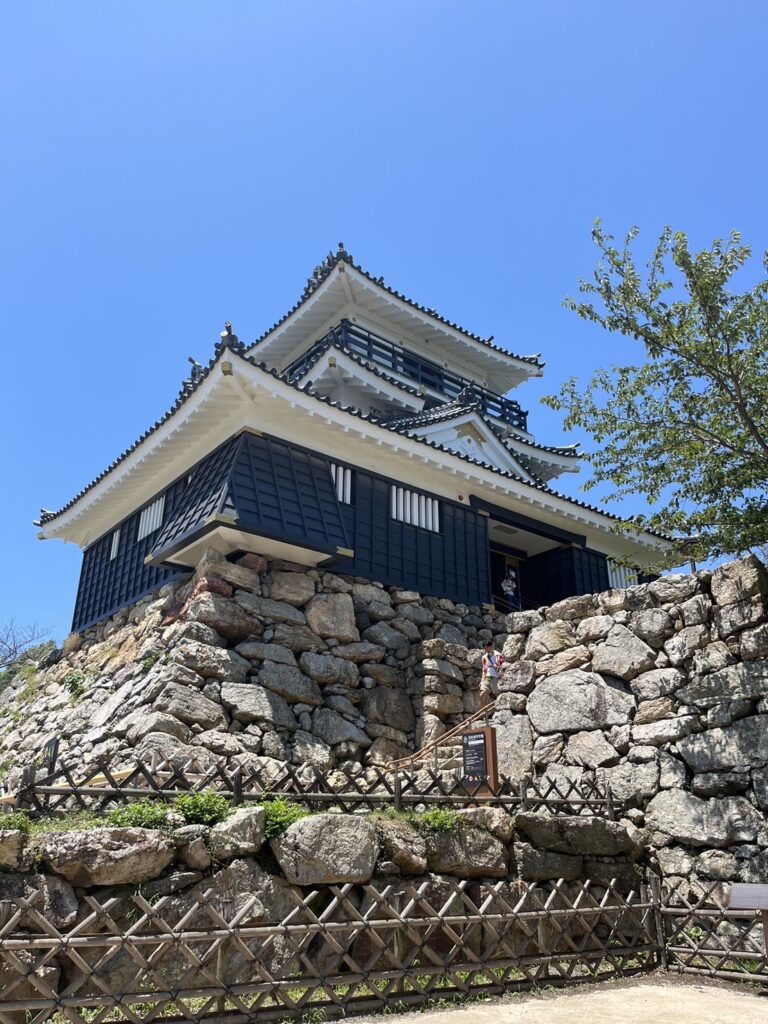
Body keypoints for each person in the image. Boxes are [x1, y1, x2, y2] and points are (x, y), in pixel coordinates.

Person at [480, 641, 504, 707]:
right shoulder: (484, 657)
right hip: (488, 677)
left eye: (487, 647)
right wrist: (482, 680)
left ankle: (501, 709)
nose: (486, 649)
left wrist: (496, 666)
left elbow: (503, 667)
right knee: (482, 693)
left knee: (498, 695)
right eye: (485, 648)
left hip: (496, 676)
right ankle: (483, 713)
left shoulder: (499, 655)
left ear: (490, 647)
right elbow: (484, 670)